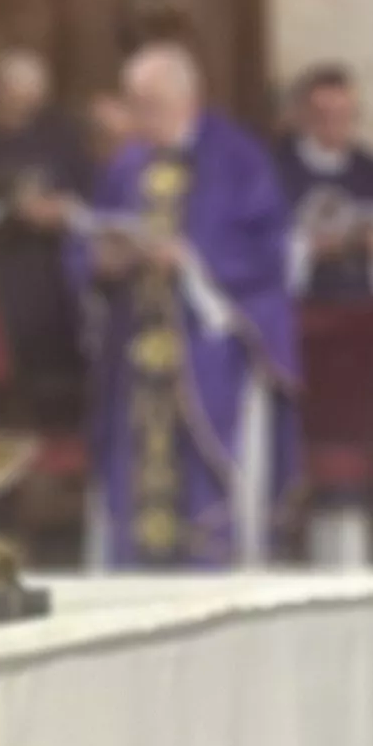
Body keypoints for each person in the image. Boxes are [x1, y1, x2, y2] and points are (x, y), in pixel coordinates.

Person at [74, 42, 296, 568]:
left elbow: (268, 253)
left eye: (145, 105)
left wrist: (191, 260)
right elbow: (88, 238)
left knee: (202, 487)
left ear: (183, 100)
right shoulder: (127, 165)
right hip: (135, 357)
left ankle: (211, 575)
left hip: (208, 351)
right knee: (135, 478)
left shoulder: (239, 160)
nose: (134, 118)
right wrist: (102, 261)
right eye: (133, 104)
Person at [278, 64, 373, 564]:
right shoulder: (278, 168)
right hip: (300, 329)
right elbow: (269, 247)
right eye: (322, 114)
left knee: (365, 436)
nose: (334, 125)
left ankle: (363, 538)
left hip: (361, 332)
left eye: (344, 115)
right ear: (303, 115)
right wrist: (311, 250)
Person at [0, 48, 90, 444]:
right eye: (15, 104)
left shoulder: (58, 133)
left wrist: (60, 210)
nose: (23, 115)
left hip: (49, 285)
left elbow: (85, 195)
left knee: (52, 405)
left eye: (31, 106)